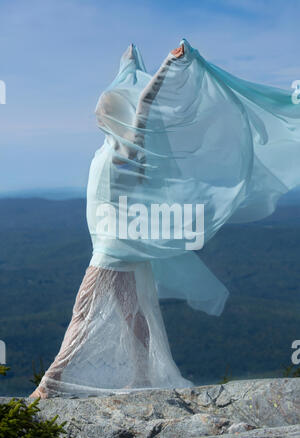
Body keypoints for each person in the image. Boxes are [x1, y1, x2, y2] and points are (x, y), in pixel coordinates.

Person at [30, 39, 300, 398]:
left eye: (102, 109)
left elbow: (144, 104)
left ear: (112, 115)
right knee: (132, 314)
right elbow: (129, 92)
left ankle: (52, 382)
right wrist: (129, 64)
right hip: (116, 241)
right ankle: (142, 376)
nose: (96, 113)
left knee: (84, 311)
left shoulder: (129, 146)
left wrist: (169, 68)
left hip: (112, 246)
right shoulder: (110, 145)